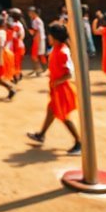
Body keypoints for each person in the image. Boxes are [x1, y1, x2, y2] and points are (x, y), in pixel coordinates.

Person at [26, 24, 83, 156]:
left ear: (55, 37)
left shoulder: (63, 51)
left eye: (50, 35)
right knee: (51, 111)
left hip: (62, 88)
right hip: (56, 87)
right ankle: (41, 135)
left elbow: (69, 73)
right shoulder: (57, 48)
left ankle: (79, 142)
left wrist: (57, 81)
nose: (48, 38)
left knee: (64, 116)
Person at [27, 6, 48, 76]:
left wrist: (36, 40)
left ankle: (40, 69)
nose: (29, 14)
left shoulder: (36, 21)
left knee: (36, 55)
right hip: (39, 39)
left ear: (33, 13)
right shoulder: (36, 20)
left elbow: (37, 32)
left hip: (38, 39)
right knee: (40, 55)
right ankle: (42, 69)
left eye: (30, 13)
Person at [8, 8, 27, 83]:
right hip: (16, 46)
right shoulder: (17, 24)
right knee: (15, 62)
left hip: (17, 46)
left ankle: (16, 76)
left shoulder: (17, 25)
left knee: (16, 62)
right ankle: (17, 74)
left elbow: (17, 35)